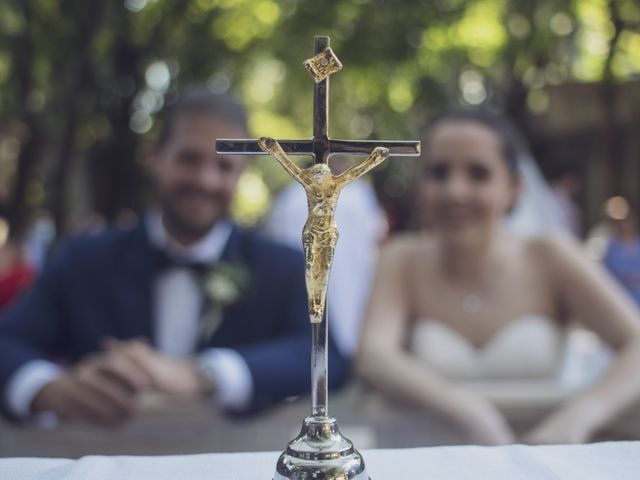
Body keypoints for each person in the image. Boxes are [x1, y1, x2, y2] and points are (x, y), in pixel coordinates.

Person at [0, 88, 347, 426]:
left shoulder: (282, 267)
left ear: (241, 174)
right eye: (189, 159)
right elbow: (7, 341)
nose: (206, 180)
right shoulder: (84, 259)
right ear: (154, 156)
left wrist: (204, 374)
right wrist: (47, 389)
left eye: (224, 168)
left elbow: (328, 357)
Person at [357, 110, 640, 445]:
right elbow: (374, 356)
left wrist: (578, 418)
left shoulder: (550, 255)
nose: (455, 191)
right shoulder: (400, 259)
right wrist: (469, 411)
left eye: (478, 174)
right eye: (439, 172)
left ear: (514, 187)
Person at [262, 153, 388, 357]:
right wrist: (374, 160)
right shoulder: (356, 192)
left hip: (329, 248)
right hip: (318, 247)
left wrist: (274, 150)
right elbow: (377, 236)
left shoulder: (290, 194)